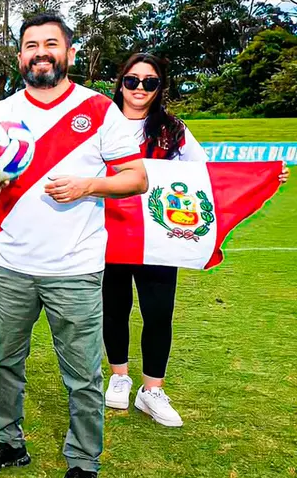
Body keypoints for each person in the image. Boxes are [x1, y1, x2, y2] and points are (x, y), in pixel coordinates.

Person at [0, 14, 148, 478]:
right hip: (11, 263)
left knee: (84, 376)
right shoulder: (0, 112)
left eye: (50, 44)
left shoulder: (99, 109)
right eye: (30, 45)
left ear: (68, 51)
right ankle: (8, 442)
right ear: (20, 56)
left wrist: (89, 184)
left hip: (76, 268)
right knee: (5, 362)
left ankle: (84, 466)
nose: (40, 52)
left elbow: (136, 178)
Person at [102, 53, 290, 427]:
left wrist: (261, 176)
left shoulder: (172, 129)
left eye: (150, 82)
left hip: (159, 235)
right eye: (132, 80)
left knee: (158, 313)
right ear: (120, 82)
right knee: (114, 306)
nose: (140, 88)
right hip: (110, 232)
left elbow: (205, 174)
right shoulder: (102, 123)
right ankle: (119, 376)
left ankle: (151, 390)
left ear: (160, 88)